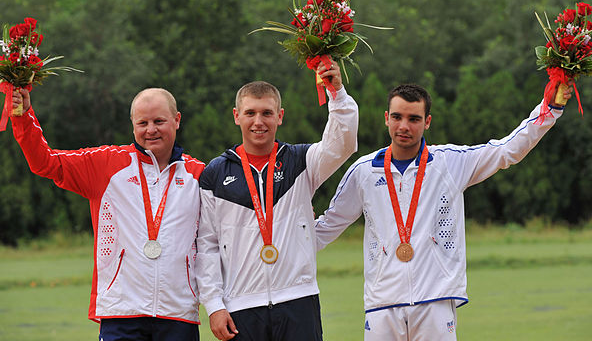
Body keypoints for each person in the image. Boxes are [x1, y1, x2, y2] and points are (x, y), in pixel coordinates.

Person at [314, 82, 573, 341]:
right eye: (397, 117)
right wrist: (284, 247)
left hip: (435, 302)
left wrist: (550, 108)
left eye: (414, 118)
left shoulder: (450, 162)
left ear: (427, 122)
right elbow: (330, 224)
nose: (404, 126)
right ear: (386, 118)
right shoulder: (363, 171)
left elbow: (507, 150)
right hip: (382, 304)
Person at [10, 87, 205, 341]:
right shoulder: (105, 165)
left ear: (177, 120)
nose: (151, 130)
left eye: (159, 121)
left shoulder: (199, 175)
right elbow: (46, 163)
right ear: (132, 125)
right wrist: (23, 115)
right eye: (142, 122)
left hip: (178, 314)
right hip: (120, 312)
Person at [197, 57, 359, 341]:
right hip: (242, 306)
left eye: (267, 113)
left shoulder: (300, 161)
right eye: (250, 113)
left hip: (298, 298)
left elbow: (342, 144)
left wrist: (337, 93)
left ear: (280, 116)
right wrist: (214, 305)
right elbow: (207, 245)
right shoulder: (215, 173)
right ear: (236, 115)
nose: (258, 122)